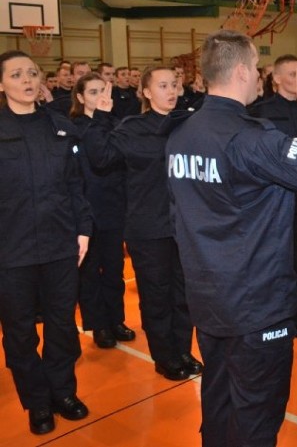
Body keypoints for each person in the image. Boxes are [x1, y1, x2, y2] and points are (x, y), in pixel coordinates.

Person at [165, 30, 297, 446]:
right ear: (244, 71)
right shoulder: (249, 137)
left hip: (208, 297)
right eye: (259, 70)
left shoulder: (182, 133)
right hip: (256, 303)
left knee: (219, 400)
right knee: (256, 415)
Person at [84, 67, 201, 382]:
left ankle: (183, 350)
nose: (171, 90)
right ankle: (165, 357)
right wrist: (99, 118)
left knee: (183, 294)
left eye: (174, 84)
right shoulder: (132, 128)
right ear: (146, 92)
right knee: (157, 296)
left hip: (186, 227)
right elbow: (101, 158)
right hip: (148, 228)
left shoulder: (188, 125)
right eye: (162, 85)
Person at [0, 50, 92, 435]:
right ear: (1, 84)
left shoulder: (60, 128)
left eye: (32, 73)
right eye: (16, 74)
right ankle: (36, 402)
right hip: (11, 251)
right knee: (20, 334)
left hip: (59, 245)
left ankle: (62, 392)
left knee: (61, 327)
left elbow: (76, 185)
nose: (27, 79)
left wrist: (83, 229)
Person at [249, 55, 297, 337]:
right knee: (285, 260)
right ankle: (285, 313)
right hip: (278, 198)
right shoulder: (262, 111)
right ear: (277, 78)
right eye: (293, 74)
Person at [69, 73, 135, 349]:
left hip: (113, 206)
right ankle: (98, 325)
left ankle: (116, 319)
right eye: (93, 92)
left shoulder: (114, 123)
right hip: (87, 209)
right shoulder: (75, 127)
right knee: (89, 274)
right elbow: (94, 161)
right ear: (81, 98)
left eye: (102, 91)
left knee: (113, 269)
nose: (100, 97)